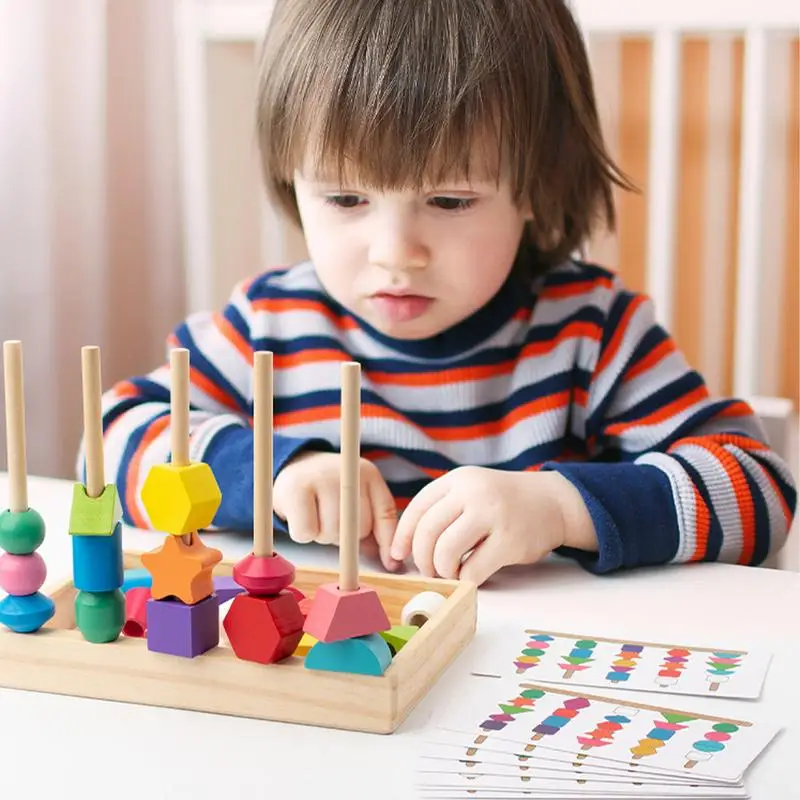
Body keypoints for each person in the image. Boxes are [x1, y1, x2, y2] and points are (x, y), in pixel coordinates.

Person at [82, 0, 796, 586]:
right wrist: (269, 473)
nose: (397, 253)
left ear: (534, 190)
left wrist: (560, 505)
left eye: (450, 201)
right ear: (290, 184)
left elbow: (761, 489)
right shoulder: (268, 327)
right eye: (346, 198)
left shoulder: (590, 334)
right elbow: (106, 448)